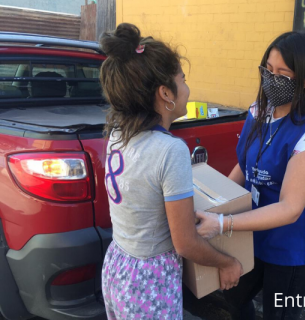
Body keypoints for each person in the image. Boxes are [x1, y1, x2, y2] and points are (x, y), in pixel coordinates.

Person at [196, 31, 305, 320]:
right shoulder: (259, 111)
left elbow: (290, 209)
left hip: (291, 247)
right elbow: (244, 166)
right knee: (227, 301)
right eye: (268, 70)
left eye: (282, 74)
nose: (271, 80)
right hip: (252, 232)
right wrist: (215, 205)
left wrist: (223, 222)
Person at [99, 23, 242, 320]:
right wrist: (228, 263)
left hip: (117, 266)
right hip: (148, 282)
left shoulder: (117, 134)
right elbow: (185, 242)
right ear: (166, 93)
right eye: (183, 79)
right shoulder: (169, 150)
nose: (188, 88)